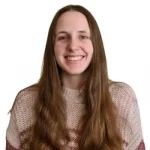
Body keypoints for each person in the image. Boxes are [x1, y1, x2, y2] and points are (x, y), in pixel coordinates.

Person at [6, 4, 145, 150]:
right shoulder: (26, 102)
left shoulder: (123, 99)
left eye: (83, 36)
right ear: (52, 46)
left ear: (95, 44)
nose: (73, 46)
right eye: (63, 37)